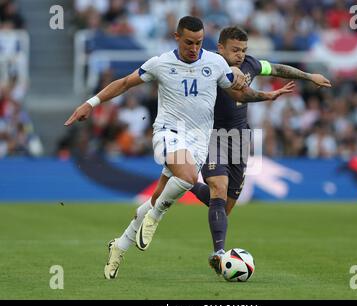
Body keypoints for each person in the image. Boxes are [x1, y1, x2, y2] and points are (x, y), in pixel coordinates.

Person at [64, 16, 295, 280]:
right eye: (188, 42)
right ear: (176, 38)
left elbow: (237, 92)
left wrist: (264, 95)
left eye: (198, 43)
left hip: (199, 141)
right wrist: (90, 103)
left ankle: (120, 245)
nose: (193, 48)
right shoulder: (161, 63)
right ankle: (156, 217)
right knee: (184, 179)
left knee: (156, 196)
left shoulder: (215, 62)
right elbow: (126, 83)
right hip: (169, 133)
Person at [187, 26, 332, 274]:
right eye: (235, 50)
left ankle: (187, 182)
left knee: (224, 204)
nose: (240, 55)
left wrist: (309, 76)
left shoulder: (252, 65)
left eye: (244, 50)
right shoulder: (209, 66)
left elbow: (277, 68)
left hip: (241, 138)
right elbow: (238, 92)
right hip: (211, 135)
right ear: (220, 47)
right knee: (219, 189)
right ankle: (219, 253)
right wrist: (266, 94)